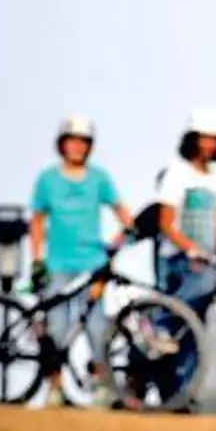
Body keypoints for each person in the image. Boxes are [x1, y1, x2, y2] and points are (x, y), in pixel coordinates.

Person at [28, 116, 135, 408]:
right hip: (57, 264)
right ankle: (54, 389)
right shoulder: (47, 180)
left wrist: (119, 242)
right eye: (72, 141)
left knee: (97, 326)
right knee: (57, 327)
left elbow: (124, 215)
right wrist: (36, 261)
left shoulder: (99, 178)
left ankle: (102, 386)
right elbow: (36, 222)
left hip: (92, 263)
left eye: (83, 142)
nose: (77, 147)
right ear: (62, 144)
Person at [154, 106, 216, 410]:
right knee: (186, 311)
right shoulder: (177, 172)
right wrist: (188, 246)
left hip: (205, 259)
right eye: (203, 139)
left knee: (194, 333)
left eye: (214, 141)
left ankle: (181, 393)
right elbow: (166, 222)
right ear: (192, 140)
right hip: (178, 259)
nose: (208, 146)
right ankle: (158, 323)